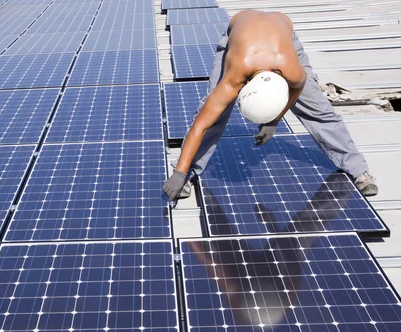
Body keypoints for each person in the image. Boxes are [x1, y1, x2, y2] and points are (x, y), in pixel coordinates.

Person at [162, 10, 378, 201]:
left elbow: (296, 90)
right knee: (212, 113)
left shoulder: (293, 72)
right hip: (237, 35)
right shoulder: (234, 77)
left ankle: (359, 169)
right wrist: (179, 173)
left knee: (319, 110)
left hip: (283, 36)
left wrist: (274, 121)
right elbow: (201, 125)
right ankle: (186, 172)